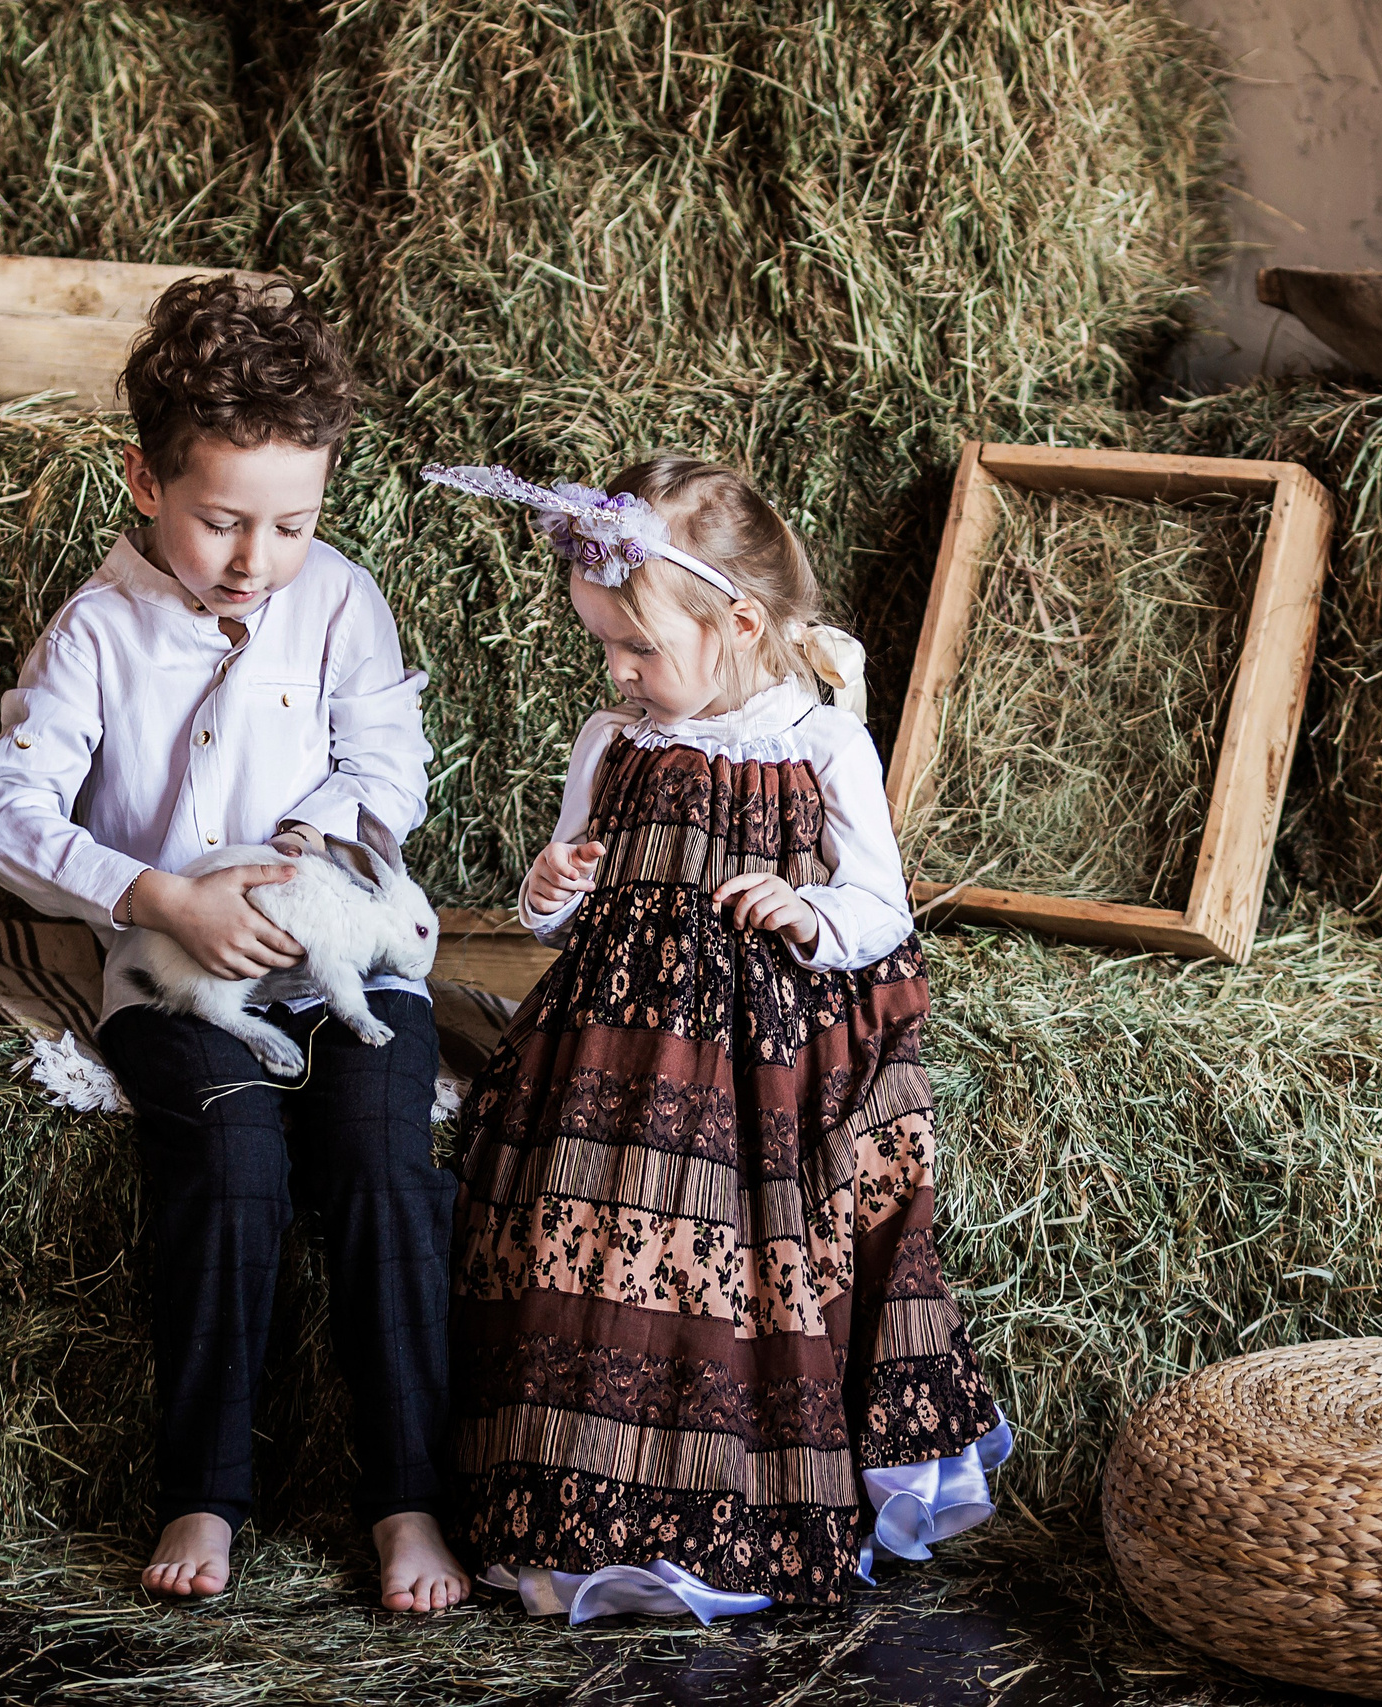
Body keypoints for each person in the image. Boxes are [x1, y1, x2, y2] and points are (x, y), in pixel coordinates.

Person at [424, 456, 1010, 1622]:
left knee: (733, 1270)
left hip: (755, 1060)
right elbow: (561, 901)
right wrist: (550, 886)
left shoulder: (819, 741)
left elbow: (881, 905)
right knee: (576, 1246)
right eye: (604, 647)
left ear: (739, 621)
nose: (619, 672)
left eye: (639, 650)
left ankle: (719, 1513)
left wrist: (809, 912)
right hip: (612, 1040)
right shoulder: (614, 736)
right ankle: (575, 1511)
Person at [0, 276, 469, 1612]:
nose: (257, 557)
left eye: (291, 522)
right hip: (174, 970)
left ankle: (410, 1495)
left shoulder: (342, 600)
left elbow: (388, 755)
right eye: (223, 519)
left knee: (377, 1153)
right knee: (235, 1159)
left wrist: (315, 834)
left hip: (345, 955)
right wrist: (158, 894)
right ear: (143, 479)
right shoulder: (97, 633)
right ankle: (206, 1485)